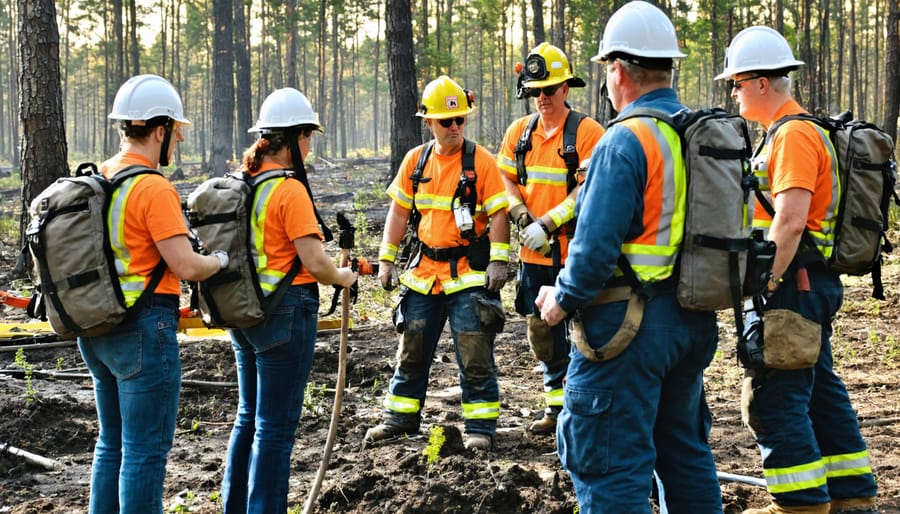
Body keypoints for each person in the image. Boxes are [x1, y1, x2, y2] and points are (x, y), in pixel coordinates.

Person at [535, 2, 722, 512]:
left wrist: (561, 300)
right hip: (692, 321)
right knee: (685, 456)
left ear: (617, 70)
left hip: (627, 328)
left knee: (609, 467)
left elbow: (594, 250)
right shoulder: (695, 132)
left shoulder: (624, 139)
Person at [716, 26, 879, 514]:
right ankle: (852, 495)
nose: (734, 92)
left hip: (791, 283)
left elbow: (789, 220)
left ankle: (799, 505)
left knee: (774, 396)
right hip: (807, 283)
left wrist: (766, 283)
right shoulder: (787, 132)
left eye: (738, 83)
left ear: (762, 83)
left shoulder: (793, 135)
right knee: (820, 390)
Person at [78, 74, 228, 513]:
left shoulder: (97, 178)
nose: (178, 140)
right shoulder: (152, 186)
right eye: (176, 132)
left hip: (96, 328)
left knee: (112, 444)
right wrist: (220, 261)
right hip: (143, 330)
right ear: (159, 130)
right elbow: (187, 266)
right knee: (144, 451)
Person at [219, 88, 357, 513]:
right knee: (275, 429)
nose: (310, 146)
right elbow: (315, 263)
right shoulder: (288, 189)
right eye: (308, 136)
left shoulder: (244, 183)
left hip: (244, 310)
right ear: (295, 137)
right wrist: (343, 276)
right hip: (286, 312)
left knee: (248, 417)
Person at [366, 75, 510, 451]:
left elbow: (499, 213)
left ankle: (480, 428)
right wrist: (386, 259)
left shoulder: (481, 161)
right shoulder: (416, 161)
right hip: (424, 275)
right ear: (429, 121)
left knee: (475, 356)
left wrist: (498, 261)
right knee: (411, 352)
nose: (455, 126)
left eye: (460, 119)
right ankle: (399, 420)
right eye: (447, 121)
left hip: (467, 276)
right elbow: (399, 213)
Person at [497, 42, 605, 435]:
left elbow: (589, 187)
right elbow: (505, 179)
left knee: (583, 333)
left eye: (549, 90)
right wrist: (521, 215)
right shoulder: (518, 133)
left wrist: (547, 222)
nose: (542, 98)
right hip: (533, 257)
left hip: (574, 255)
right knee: (542, 334)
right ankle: (555, 407)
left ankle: (583, 409)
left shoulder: (588, 132)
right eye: (535, 91)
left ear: (565, 88)